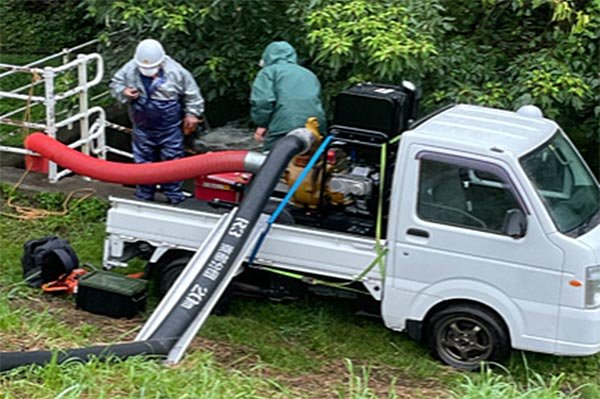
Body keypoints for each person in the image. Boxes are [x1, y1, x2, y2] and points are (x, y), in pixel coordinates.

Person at [110, 39, 204, 204]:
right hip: (142, 127)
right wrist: (124, 92)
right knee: (143, 161)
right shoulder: (130, 68)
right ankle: (144, 194)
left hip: (169, 127)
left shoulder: (176, 72)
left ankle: (174, 195)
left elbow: (193, 94)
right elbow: (115, 84)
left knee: (172, 161)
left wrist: (192, 114)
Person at [250, 41, 326, 151]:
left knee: (272, 162)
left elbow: (262, 101)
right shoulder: (308, 73)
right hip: (315, 125)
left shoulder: (269, 72)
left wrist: (262, 124)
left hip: (284, 125)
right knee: (312, 162)